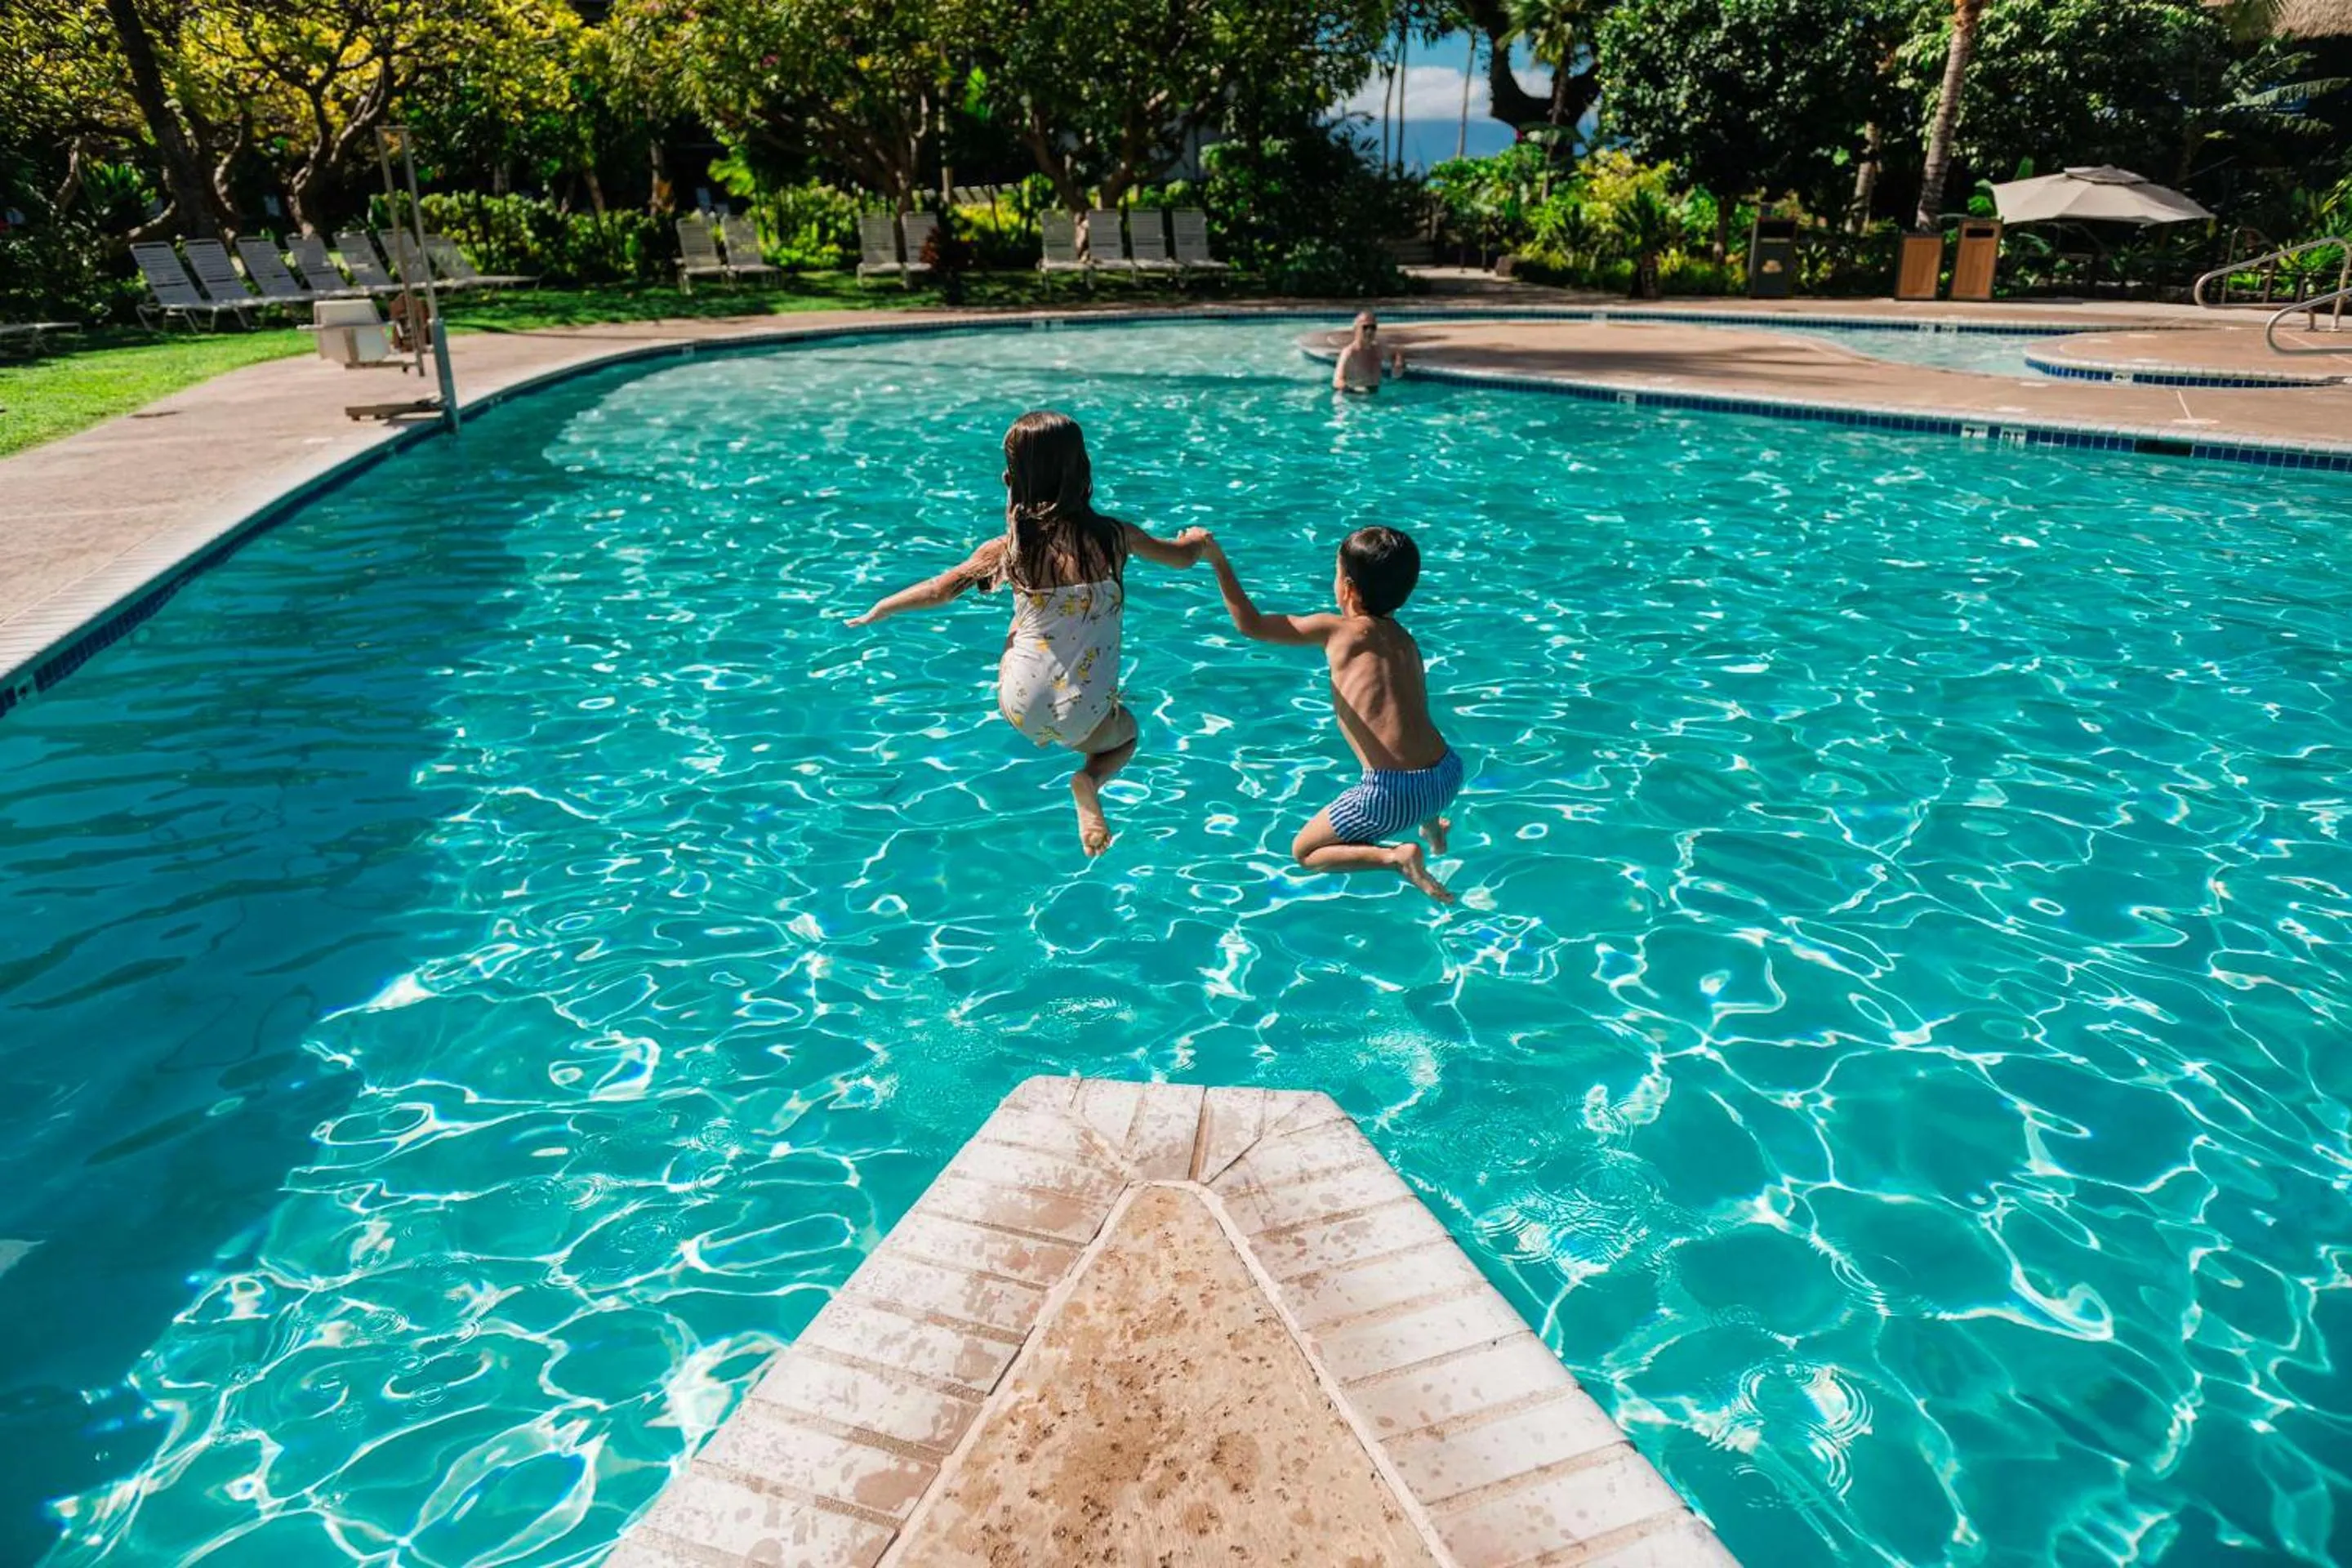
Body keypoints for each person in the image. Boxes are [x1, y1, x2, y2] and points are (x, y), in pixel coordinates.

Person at [847, 411, 1209, 857]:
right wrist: (1197, 540)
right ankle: (1088, 781)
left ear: (1011, 478)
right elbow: (1182, 558)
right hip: (1085, 715)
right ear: (1083, 470)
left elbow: (939, 590)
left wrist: (881, 608)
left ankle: (1041, 680)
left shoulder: (1009, 549)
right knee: (1128, 734)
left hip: (1020, 704)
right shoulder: (1116, 537)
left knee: (1024, 623)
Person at [1196, 525, 1462, 902]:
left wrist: (1217, 561)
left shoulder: (1338, 630)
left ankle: (1397, 858)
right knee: (1414, 751)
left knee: (1305, 851)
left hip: (1394, 793)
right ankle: (1434, 831)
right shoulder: (1406, 641)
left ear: (1348, 588)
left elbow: (1251, 625)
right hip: (1447, 773)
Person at [1331, 311, 1405, 394]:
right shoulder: (1349, 353)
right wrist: (1355, 390)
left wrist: (1398, 363)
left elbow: (1396, 354)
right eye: (1365, 327)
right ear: (1356, 329)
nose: (1369, 331)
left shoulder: (1378, 349)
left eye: (1373, 327)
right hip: (1354, 397)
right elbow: (1337, 382)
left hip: (1375, 394)